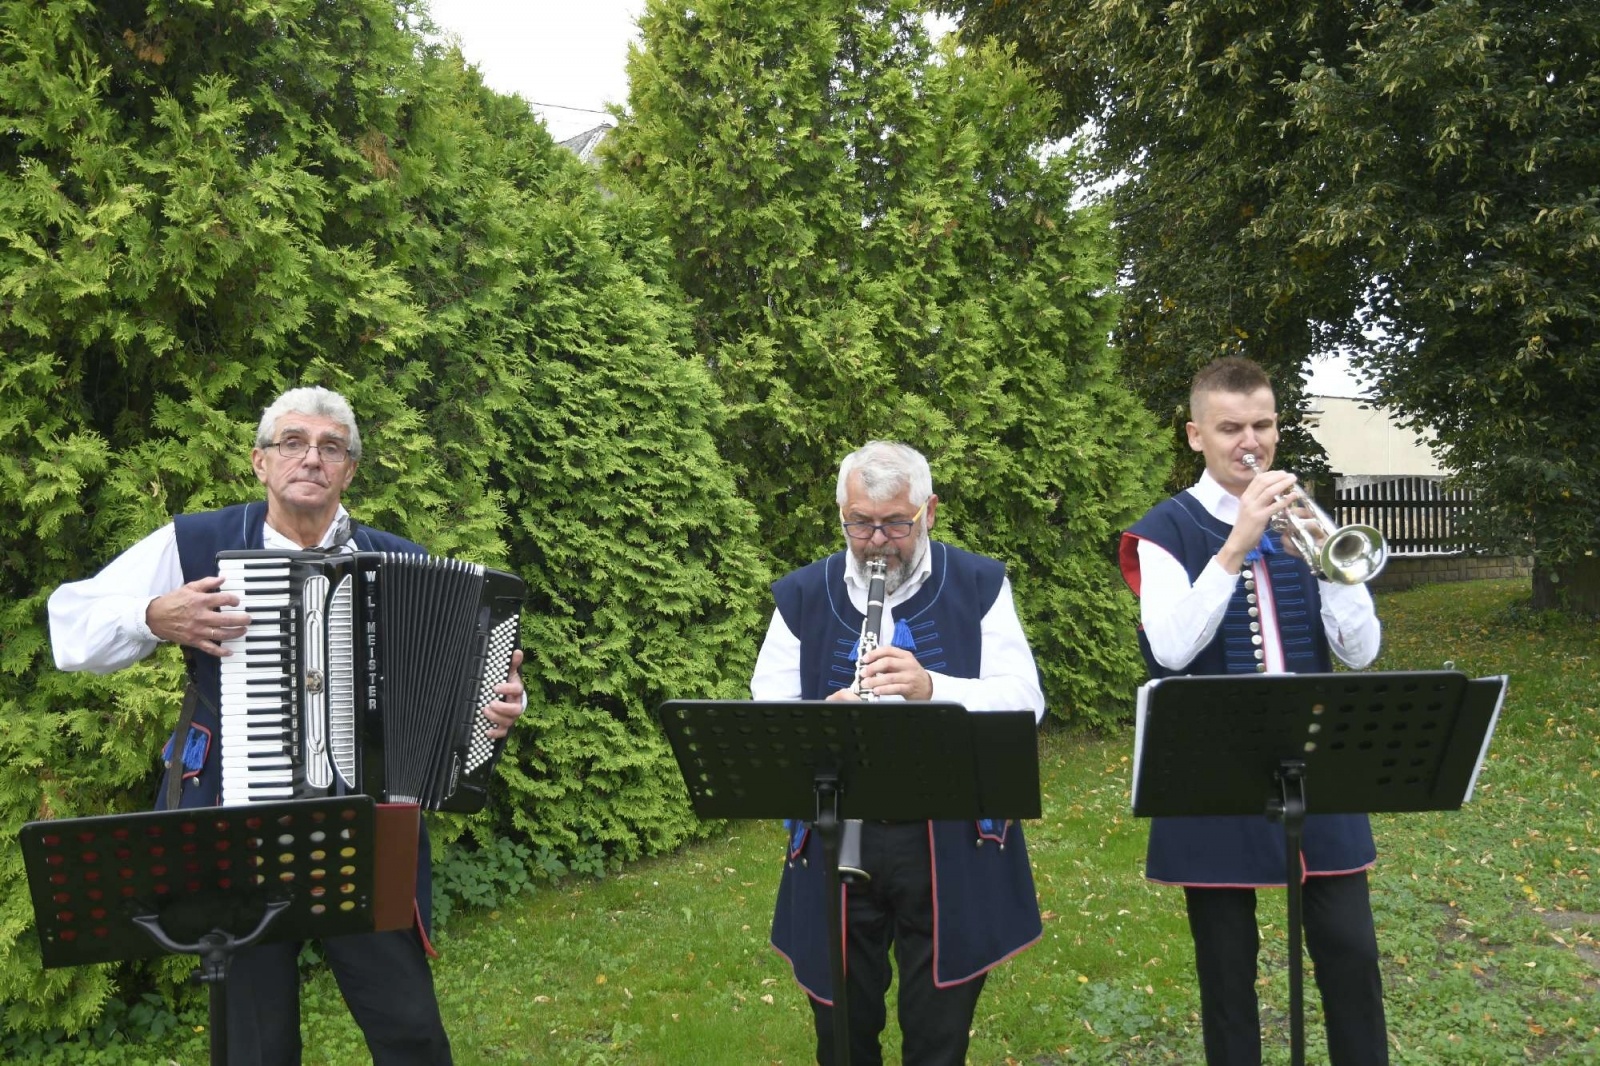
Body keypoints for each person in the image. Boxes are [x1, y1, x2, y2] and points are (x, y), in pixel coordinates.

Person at [48, 385, 526, 1066]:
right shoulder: (197, 543)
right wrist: (154, 616)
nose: (312, 459)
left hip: (364, 827)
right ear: (260, 462)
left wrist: (505, 703)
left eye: (332, 448)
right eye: (293, 443)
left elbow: (485, 683)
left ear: (350, 470)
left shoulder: (403, 559)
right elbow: (71, 628)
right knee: (256, 1046)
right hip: (237, 830)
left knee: (410, 1030)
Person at [1117, 357, 1388, 1065]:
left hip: (1317, 759)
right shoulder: (1165, 530)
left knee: (1352, 955)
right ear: (1195, 435)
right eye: (1231, 427)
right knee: (1228, 972)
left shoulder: (1306, 519)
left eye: (1263, 424)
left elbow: (1359, 653)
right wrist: (1236, 545)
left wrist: (1334, 568)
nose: (1251, 441)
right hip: (1214, 766)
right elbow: (1171, 651)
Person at [751, 440, 1046, 1066]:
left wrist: (932, 687)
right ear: (841, 516)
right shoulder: (804, 594)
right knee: (842, 1034)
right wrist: (820, 722)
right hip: (838, 834)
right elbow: (769, 710)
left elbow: (1025, 702)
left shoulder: (980, 583)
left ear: (929, 512)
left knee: (937, 1036)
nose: (877, 541)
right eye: (860, 523)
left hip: (948, 838)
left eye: (895, 523)